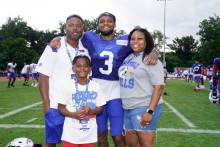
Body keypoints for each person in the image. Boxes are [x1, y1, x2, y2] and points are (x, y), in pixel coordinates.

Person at [50, 12, 158, 147]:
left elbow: (141, 43)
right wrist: (58, 38)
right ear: (98, 24)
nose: (105, 24)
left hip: (116, 90)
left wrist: (154, 52)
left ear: (115, 24)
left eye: (109, 21)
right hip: (96, 89)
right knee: (101, 134)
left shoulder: (125, 40)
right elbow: (73, 33)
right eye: (102, 21)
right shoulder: (90, 37)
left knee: (118, 135)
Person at [36, 14, 89, 147]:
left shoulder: (86, 48)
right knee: (51, 142)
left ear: (83, 29)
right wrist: (47, 106)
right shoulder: (54, 46)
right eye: (71, 25)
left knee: (77, 142)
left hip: (77, 106)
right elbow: (43, 77)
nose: (75, 28)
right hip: (56, 105)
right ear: (65, 28)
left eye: (78, 25)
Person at [118, 27, 164, 147]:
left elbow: (158, 87)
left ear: (146, 41)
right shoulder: (128, 57)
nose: (135, 41)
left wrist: (149, 111)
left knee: (145, 143)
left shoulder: (151, 59)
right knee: (131, 142)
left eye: (140, 39)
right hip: (127, 106)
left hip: (143, 105)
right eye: (132, 39)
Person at [58, 55, 106, 147]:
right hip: (70, 134)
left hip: (88, 134)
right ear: (73, 68)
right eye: (78, 66)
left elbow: (100, 108)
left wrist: (91, 111)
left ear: (90, 69)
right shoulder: (66, 86)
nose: (82, 68)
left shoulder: (96, 86)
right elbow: (60, 108)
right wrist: (74, 115)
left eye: (85, 66)